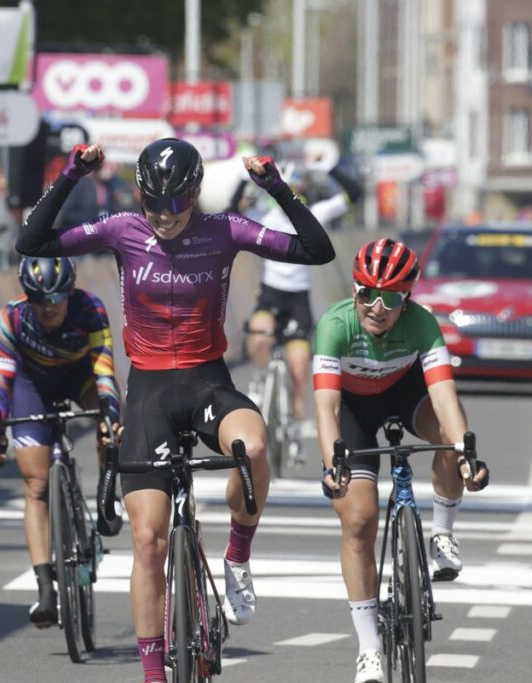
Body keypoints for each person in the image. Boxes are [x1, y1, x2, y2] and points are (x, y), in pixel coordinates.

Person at [17, 138, 335, 683]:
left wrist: (277, 189)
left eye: (177, 203)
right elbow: (32, 241)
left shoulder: (225, 230)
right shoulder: (121, 229)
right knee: (148, 540)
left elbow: (316, 250)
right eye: (154, 203)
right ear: (139, 195)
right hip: (149, 392)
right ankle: (152, 674)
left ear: (195, 195)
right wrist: (72, 174)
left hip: (207, 381)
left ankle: (237, 556)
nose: (165, 215)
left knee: (255, 446)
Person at [314, 238, 490, 683]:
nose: (377, 307)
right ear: (354, 290)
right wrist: (333, 465)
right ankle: (369, 648)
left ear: (406, 301)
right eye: (367, 294)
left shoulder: (423, 324)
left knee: (450, 438)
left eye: (391, 299)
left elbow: (444, 397)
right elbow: (327, 408)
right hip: (353, 409)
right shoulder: (334, 325)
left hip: (405, 393)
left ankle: (442, 535)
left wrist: (466, 456)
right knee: (358, 519)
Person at [0, 255, 123, 627]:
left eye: (57, 298)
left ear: (70, 293)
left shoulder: (90, 309)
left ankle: (108, 492)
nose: (48, 306)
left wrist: (110, 415)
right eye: (39, 299)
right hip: (33, 386)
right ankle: (46, 588)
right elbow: (2, 382)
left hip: (80, 377)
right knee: (36, 484)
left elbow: (104, 369)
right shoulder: (11, 317)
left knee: (109, 422)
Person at [243, 163, 363, 465]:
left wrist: (331, 166)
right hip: (271, 293)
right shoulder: (265, 216)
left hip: (298, 299)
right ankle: (258, 382)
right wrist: (240, 179)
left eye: (298, 189)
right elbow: (232, 211)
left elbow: (354, 194)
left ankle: (294, 426)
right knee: (259, 332)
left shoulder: (313, 213)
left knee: (298, 367)